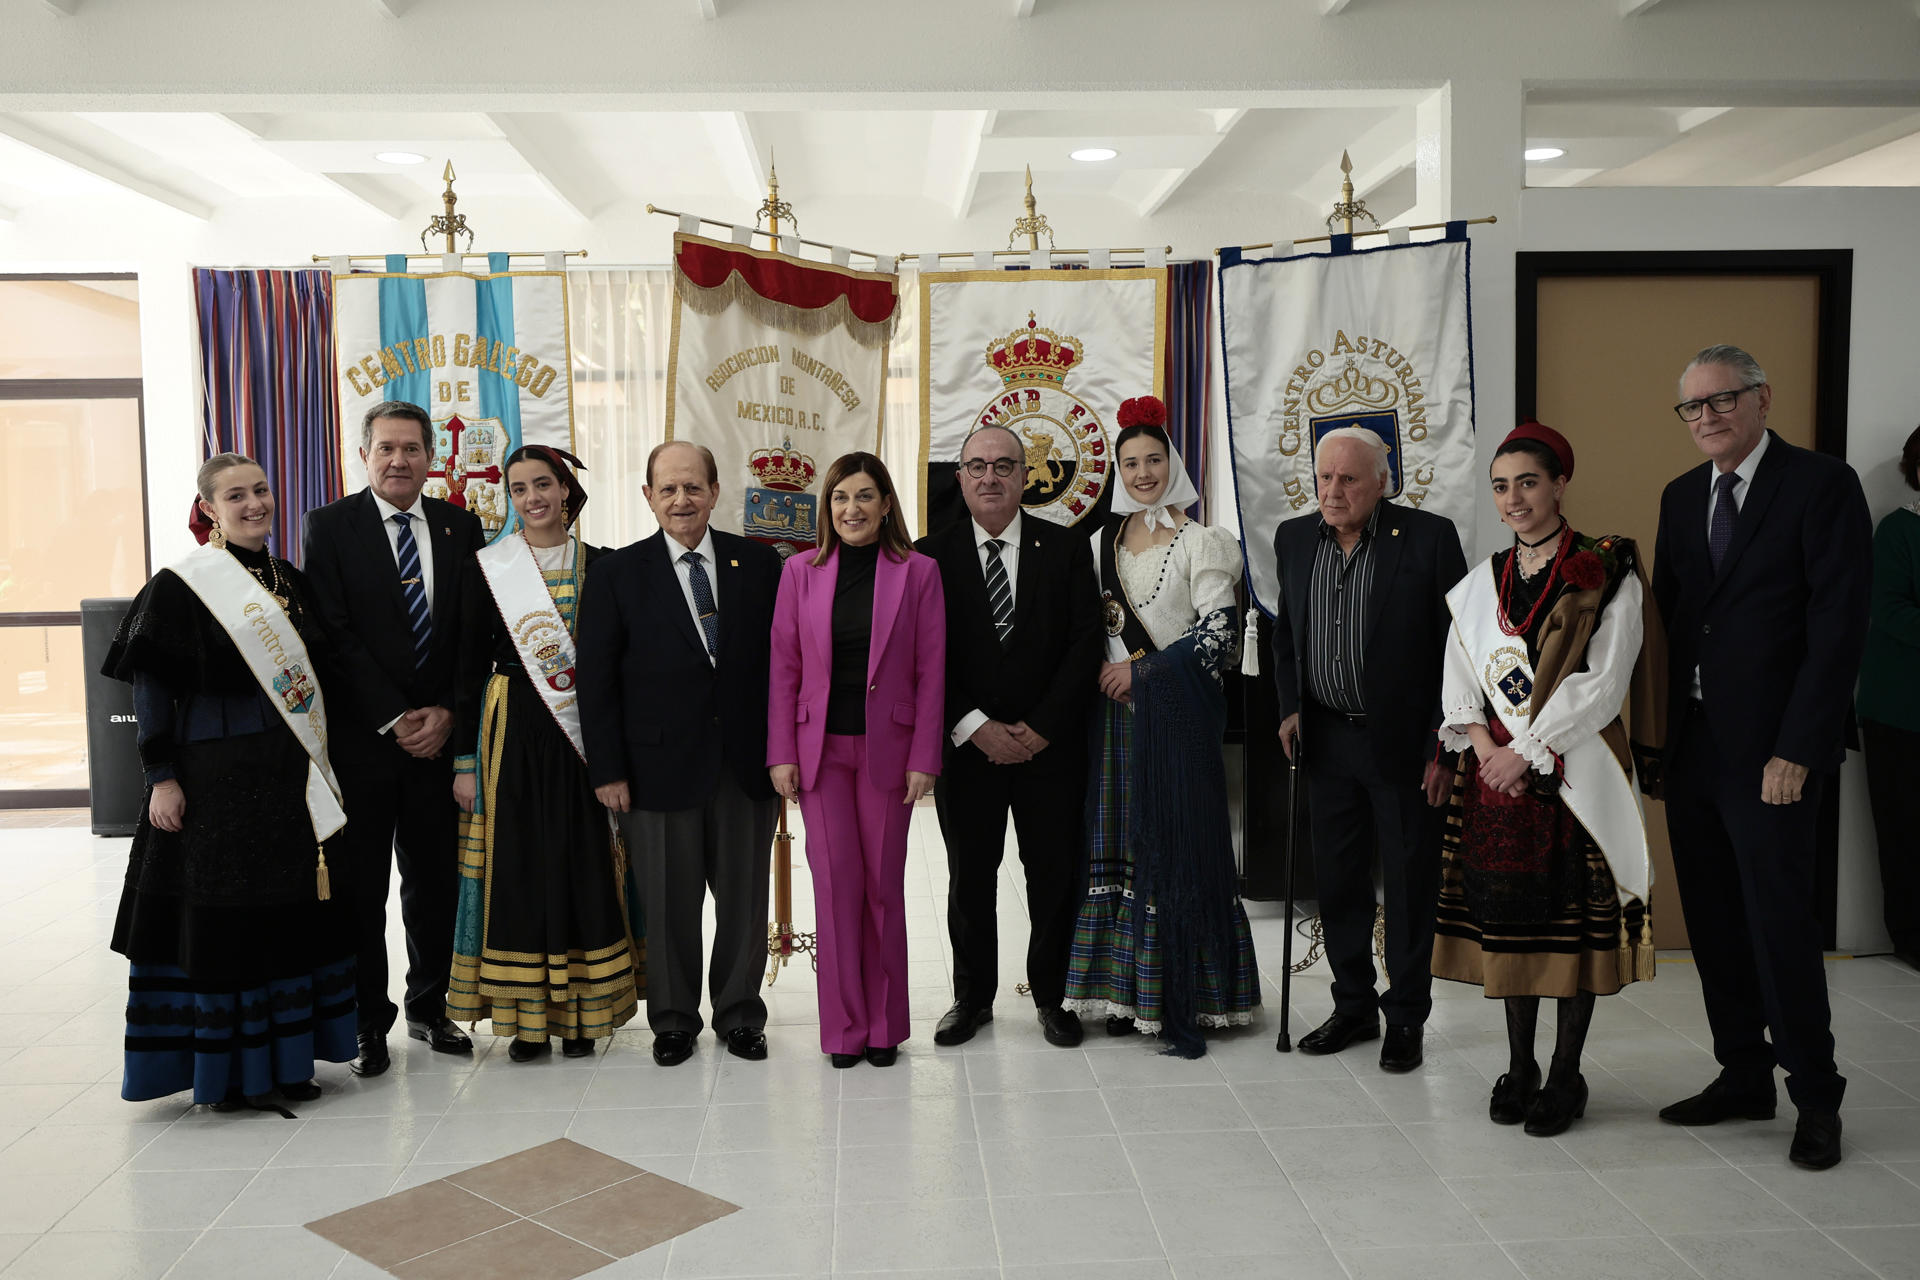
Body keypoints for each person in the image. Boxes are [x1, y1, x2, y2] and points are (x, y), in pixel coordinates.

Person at [1652, 343, 1872, 1171]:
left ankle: (1815, 1095)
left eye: (1722, 400)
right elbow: (1669, 628)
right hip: (1695, 747)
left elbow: (1838, 627)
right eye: (1692, 406)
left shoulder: (1821, 486)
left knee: (1779, 923)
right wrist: (1654, 744)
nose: (1706, 417)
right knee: (1712, 920)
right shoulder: (1680, 497)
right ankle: (1742, 1073)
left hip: (1775, 756)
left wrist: (1800, 749)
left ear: (1762, 399)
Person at [107, 454, 357, 1113]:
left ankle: (284, 1062)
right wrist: (160, 776)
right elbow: (152, 688)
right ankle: (232, 1076)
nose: (255, 504)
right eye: (237, 495)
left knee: (283, 919)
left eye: (262, 490)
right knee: (228, 927)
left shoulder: (292, 582)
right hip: (214, 786)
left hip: (287, 784)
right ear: (209, 509)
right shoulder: (181, 586)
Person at [1433, 421, 1663, 1137]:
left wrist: (1524, 748)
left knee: (1572, 936)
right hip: (1497, 786)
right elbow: (1460, 682)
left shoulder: (1607, 568)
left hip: (1572, 775)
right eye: (1501, 487)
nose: (1514, 499)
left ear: (1560, 482)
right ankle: (1520, 1065)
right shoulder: (1479, 585)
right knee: (1512, 927)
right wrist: (1479, 742)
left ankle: (1566, 1076)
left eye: (1528, 482)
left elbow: (1604, 683)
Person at [1062, 398, 1260, 1057]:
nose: (1142, 472)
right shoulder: (1100, 544)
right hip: (1113, 729)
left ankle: (1185, 993)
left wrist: (1142, 676)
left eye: (1153, 460)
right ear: (1117, 471)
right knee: (1119, 850)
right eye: (1130, 463)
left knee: (1171, 850)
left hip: (1176, 722)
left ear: (1172, 463)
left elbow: (1219, 637)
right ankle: (1123, 993)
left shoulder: (1206, 542)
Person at [576, 441, 783, 1067]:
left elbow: (784, 667)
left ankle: (741, 1014)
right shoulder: (618, 572)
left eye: (692, 487)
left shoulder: (761, 563)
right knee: (668, 903)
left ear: (715, 492)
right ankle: (672, 1020)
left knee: (745, 901)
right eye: (667, 489)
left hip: (746, 766)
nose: (680, 500)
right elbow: (596, 678)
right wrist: (607, 770)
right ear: (647, 497)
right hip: (654, 771)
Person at [1269, 427, 1466, 1072]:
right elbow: (1285, 637)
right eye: (1325, 477)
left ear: (1383, 481)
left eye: (1348, 478)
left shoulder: (1430, 539)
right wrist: (1291, 706)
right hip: (1325, 740)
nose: (1332, 491)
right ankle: (1351, 1004)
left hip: (1407, 745)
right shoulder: (1295, 539)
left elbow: (1457, 651)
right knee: (1339, 882)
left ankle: (1405, 1015)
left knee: (1408, 885)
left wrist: (1447, 747)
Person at [304, 401, 486, 1076]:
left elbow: (471, 636)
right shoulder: (328, 527)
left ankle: (430, 1008)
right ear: (364, 454)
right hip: (365, 744)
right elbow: (333, 635)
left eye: (412, 449)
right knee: (361, 888)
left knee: (434, 884)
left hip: (438, 746)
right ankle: (365, 1023)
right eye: (386, 448)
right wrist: (396, 716)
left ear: (431, 458)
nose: (400, 460)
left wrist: (444, 714)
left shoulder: (460, 526)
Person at [448, 446, 645, 1063]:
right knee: (521, 863)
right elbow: (462, 667)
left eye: (543, 484)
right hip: (509, 729)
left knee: (583, 858)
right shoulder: (488, 569)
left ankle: (583, 1014)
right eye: (519, 488)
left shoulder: (606, 566)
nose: (532, 498)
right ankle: (527, 1020)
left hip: (584, 729)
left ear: (566, 490)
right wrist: (461, 763)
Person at [916, 425, 1103, 1049]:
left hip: (1050, 748)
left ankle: (1053, 996)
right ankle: (972, 997)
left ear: (1027, 476)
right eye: (977, 466)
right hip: (968, 750)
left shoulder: (1068, 549)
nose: (990, 477)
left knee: (1052, 874)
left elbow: (1084, 645)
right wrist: (974, 726)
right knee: (971, 877)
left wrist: (1043, 727)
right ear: (960, 477)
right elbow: (920, 658)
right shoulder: (926, 558)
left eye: (1003, 466)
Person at [767, 452, 946, 1067]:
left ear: (887, 504)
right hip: (818, 755)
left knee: (881, 889)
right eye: (840, 498)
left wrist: (925, 755)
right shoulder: (800, 573)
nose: (852, 509)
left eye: (865, 496)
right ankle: (842, 1031)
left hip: (889, 754)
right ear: (827, 507)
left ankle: (883, 1028)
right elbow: (784, 669)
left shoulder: (918, 573)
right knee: (836, 887)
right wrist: (780, 753)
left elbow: (931, 671)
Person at [1859, 425, 1920, 970]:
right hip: (1900, 709)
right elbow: (1892, 610)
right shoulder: (1898, 531)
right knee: (1905, 828)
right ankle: (1911, 937)